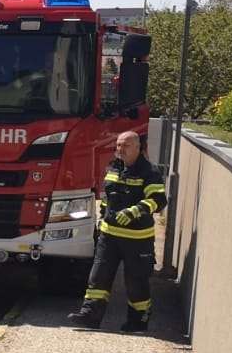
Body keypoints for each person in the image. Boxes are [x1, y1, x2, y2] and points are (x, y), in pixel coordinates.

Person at [69, 129, 166, 333]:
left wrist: (134, 211)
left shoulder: (149, 171)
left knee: (136, 282)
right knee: (98, 277)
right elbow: (107, 196)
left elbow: (158, 200)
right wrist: (103, 215)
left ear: (138, 148)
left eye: (126, 145)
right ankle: (89, 316)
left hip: (137, 239)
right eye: (118, 145)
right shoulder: (114, 167)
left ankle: (138, 322)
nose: (120, 149)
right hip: (109, 236)